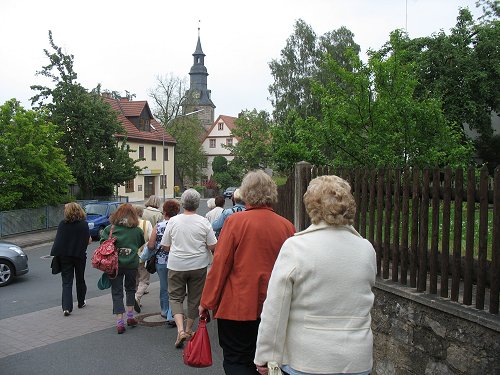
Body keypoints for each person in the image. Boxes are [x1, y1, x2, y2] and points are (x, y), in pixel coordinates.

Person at [254, 175, 377, 375]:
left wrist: (267, 357)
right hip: (357, 361)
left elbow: (276, 309)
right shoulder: (366, 249)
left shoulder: (296, 247)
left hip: (308, 360)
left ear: (311, 206)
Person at [199, 170, 295, 375]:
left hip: (237, 308)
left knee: (237, 360)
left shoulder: (235, 222)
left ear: (246, 193)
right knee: (269, 365)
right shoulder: (287, 227)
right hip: (273, 308)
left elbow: (220, 266)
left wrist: (207, 302)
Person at [160, 189, 217, 348]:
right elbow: (213, 245)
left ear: (182, 203)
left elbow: (165, 245)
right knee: (194, 298)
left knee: (175, 297)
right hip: (198, 265)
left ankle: (180, 330)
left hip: (176, 264)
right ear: (198, 204)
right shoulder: (204, 221)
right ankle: (189, 328)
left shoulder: (173, 221)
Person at [100, 203, 145, 334]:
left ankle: (120, 322)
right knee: (131, 288)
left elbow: (103, 243)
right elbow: (140, 243)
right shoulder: (137, 230)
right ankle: (130, 316)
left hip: (114, 265)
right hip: (131, 264)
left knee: (117, 291)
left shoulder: (110, 229)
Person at [140, 199, 181, 326]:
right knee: (175, 288)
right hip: (176, 260)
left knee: (164, 287)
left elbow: (151, 245)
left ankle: (164, 310)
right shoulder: (179, 225)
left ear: (164, 212)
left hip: (161, 261)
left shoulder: (159, 226)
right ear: (177, 211)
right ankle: (172, 313)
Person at [50, 202, 92, 316]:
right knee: (80, 279)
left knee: (67, 281)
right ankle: (81, 302)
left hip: (65, 257)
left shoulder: (62, 224)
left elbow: (58, 241)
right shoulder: (83, 224)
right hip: (79, 255)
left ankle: (66, 308)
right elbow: (89, 241)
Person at [138, 195, 164, 297]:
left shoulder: (143, 211)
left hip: (141, 238)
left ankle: (140, 287)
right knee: (146, 266)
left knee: (139, 267)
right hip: (152, 240)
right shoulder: (159, 214)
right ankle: (142, 287)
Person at [133, 205, 153, 313]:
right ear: (141, 213)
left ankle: (136, 300)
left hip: (131, 257)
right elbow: (151, 241)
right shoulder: (146, 223)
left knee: (135, 279)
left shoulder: (129, 224)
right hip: (143, 256)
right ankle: (137, 297)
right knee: (144, 280)